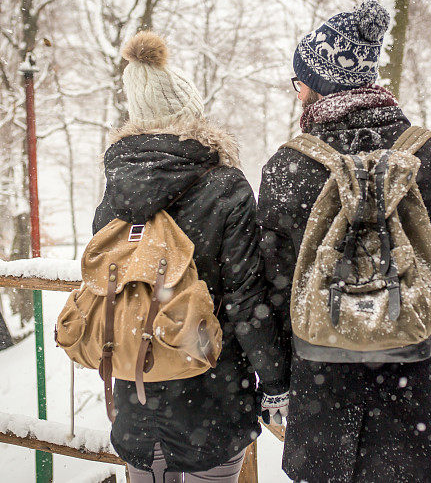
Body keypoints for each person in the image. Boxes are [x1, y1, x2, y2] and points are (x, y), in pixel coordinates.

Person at [257, 0, 431, 482]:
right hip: (415, 384)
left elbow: (274, 289)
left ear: (318, 83)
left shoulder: (287, 168)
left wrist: (278, 380)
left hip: (320, 391)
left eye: (298, 82)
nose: (296, 93)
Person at [95, 31, 288, 483]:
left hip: (135, 388)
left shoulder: (115, 191)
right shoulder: (226, 186)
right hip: (212, 394)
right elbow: (245, 300)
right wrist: (277, 382)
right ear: (191, 113)